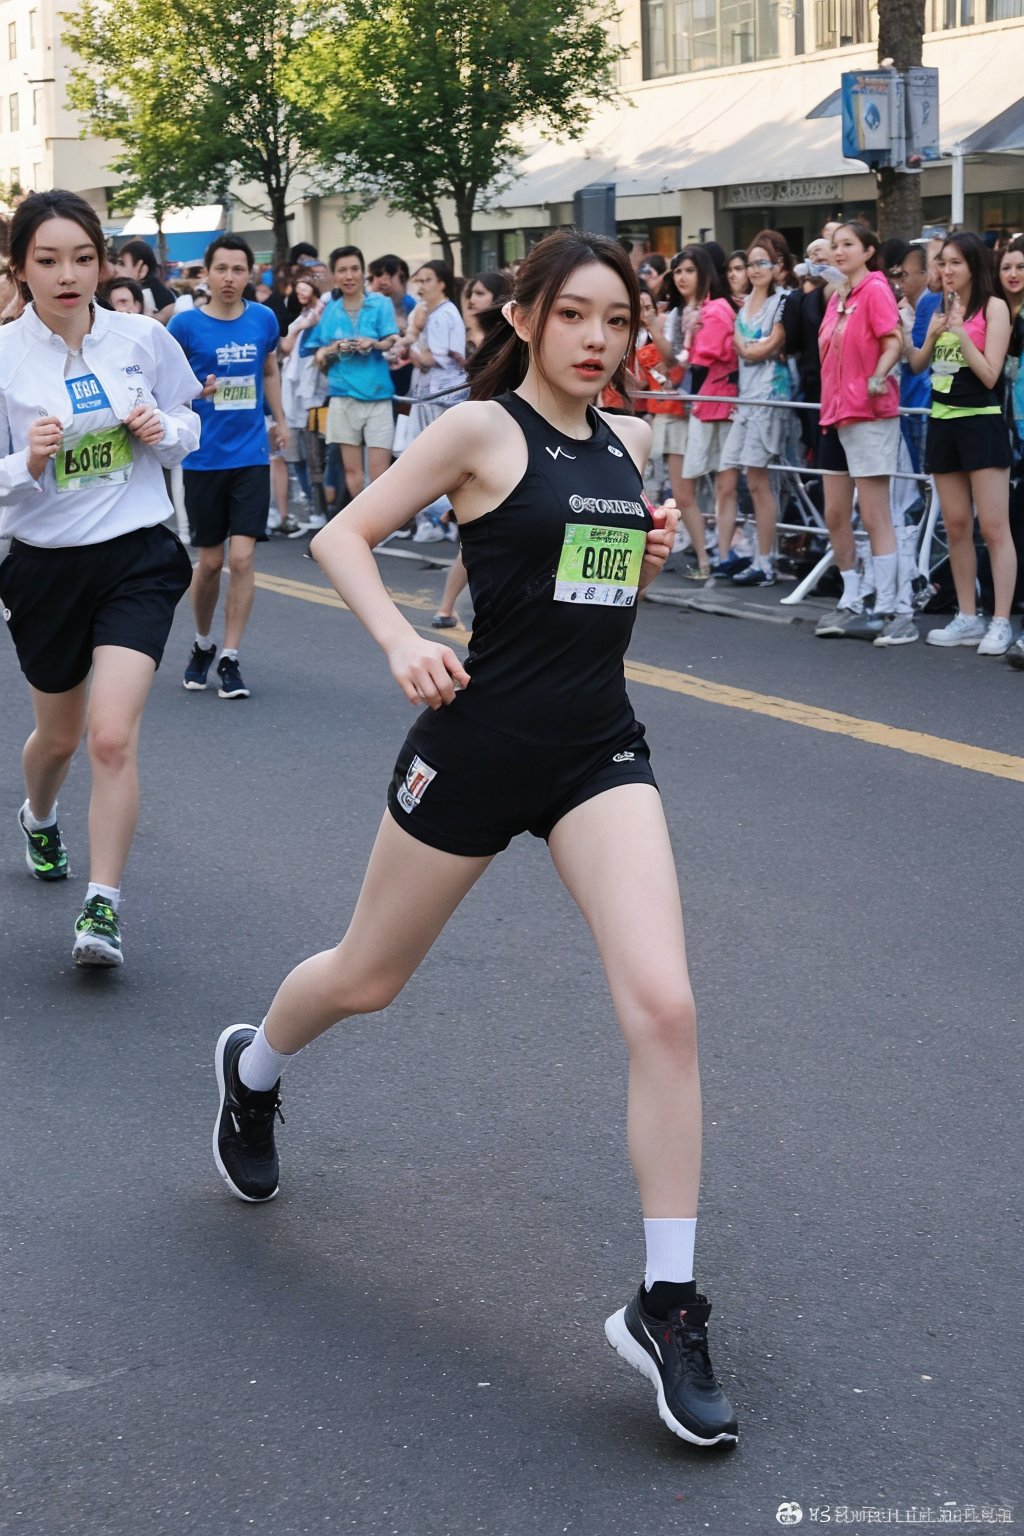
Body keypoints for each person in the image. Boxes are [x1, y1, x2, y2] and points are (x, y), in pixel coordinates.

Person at [209, 229, 738, 1451]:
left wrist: (645, 559)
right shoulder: (477, 430)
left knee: (665, 1006)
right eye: (576, 317)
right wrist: (401, 640)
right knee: (367, 977)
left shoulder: (632, 445)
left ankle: (665, 1304)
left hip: (597, 751)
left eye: (617, 319)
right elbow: (343, 533)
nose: (599, 340)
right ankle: (253, 1071)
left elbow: (596, 605)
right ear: (529, 317)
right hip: (473, 742)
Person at [0, 189, 199, 967]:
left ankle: (102, 908)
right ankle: (39, 817)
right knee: (59, 736)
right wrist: (30, 460)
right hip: (45, 567)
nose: (67, 274)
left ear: (104, 261)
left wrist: (162, 428)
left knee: (111, 737)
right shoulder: (6, 356)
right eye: (47, 260)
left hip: (137, 557)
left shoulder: (142, 339)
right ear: (19, 268)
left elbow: (189, 422)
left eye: (83, 257)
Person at [168, 233, 289, 699]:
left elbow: (270, 371)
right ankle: (202, 642)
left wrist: (280, 421)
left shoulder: (263, 319)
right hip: (202, 459)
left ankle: (231, 657)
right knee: (211, 562)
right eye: (222, 269)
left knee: (241, 558)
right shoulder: (185, 328)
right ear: (207, 273)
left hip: (250, 455)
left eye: (239, 270)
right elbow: (168, 390)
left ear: (249, 274)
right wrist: (199, 391)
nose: (230, 278)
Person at [908, 231, 1015, 656]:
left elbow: (991, 375)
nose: (946, 271)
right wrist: (933, 335)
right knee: (954, 526)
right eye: (942, 263)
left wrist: (962, 333)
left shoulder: (995, 308)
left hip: (981, 423)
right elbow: (917, 365)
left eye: (954, 263)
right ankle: (967, 616)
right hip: (942, 423)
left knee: (993, 528)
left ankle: (1001, 619)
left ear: (973, 266)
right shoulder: (936, 305)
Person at [811, 222, 913, 646]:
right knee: (835, 512)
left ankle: (893, 609)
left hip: (869, 413)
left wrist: (878, 374)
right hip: (834, 414)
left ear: (869, 251)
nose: (838, 251)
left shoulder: (873, 290)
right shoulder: (840, 295)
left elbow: (894, 340)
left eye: (847, 244)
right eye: (835, 245)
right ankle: (853, 597)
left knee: (875, 515)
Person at [717, 240, 793, 586]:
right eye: (751, 263)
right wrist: (753, 348)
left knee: (760, 482)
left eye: (763, 262)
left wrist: (753, 349)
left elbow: (770, 344)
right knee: (729, 476)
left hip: (770, 398)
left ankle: (766, 561)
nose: (756, 269)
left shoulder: (783, 302)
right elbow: (743, 347)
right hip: (746, 401)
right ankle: (732, 554)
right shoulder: (744, 304)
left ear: (777, 266)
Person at [302, 245, 399, 504]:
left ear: (363, 272)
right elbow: (319, 354)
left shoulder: (380, 303)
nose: (349, 276)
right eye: (342, 270)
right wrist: (335, 348)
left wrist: (374, 343)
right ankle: (365, 523)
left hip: (378, 395)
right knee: (351, 472)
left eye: (354, 269)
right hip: (342, 396)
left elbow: (392, 339)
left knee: (380, 473)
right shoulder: (331, 311)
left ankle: (379, 523)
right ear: (334, 275)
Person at [999, 237, 1024, 668]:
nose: (1014, 273)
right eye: (1007, 267)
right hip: (1009, 429)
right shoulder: (995, 310)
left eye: (1021, 266)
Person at [112, 240, 176, 324]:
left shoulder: (146, 298)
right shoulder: (161, 292)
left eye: (121, 263)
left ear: (142, 270)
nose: (115, 268)